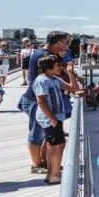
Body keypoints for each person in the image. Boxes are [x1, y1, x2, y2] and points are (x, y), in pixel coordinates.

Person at [32, 54, 68, 184]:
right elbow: (41, 100)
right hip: (50, 118)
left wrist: (71, 73)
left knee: (52, 146)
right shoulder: (42, 80)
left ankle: (50, 174)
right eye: (58, 65)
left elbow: (73, 88)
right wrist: (52, 119)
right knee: (59, 145)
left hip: (56, 117)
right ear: (49, 67)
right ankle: (55, 175)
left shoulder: (54, 79)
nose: (60, 67)